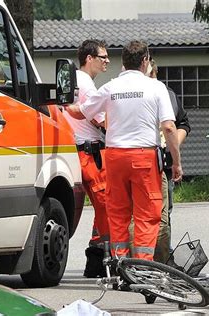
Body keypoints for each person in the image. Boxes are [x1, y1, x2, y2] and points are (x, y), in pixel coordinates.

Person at [66, 40, 183, 260]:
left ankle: (120, 263)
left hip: (114, 156)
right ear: (145, 61)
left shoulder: (110, 87)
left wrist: (64, 105)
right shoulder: (156, 87)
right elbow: (168, 127)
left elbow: (82, 112)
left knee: (118, 213)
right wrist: (176, 162)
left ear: (123, 62)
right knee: (146, 213)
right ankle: (143, 264)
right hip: (144, 156)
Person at [63, 39, 110, 278]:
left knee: (100, 208)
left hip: (77, 150)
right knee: (106, 206)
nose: (107, 61)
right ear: (89, 58)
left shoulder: (73, 81)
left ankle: (96, 256)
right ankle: (105, 259)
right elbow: (100, 120)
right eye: (103, 57)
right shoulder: (88, 86)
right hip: (91, 153)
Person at [146, 59, 190, 264]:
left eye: (152, 76)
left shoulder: (167, 94)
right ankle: (149, 256)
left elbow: (182, 123)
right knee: (148, 211)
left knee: (165, 210)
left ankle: (163, 254)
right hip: (146, 158)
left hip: (164, 159)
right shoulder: (140, 94)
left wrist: (174, 145)